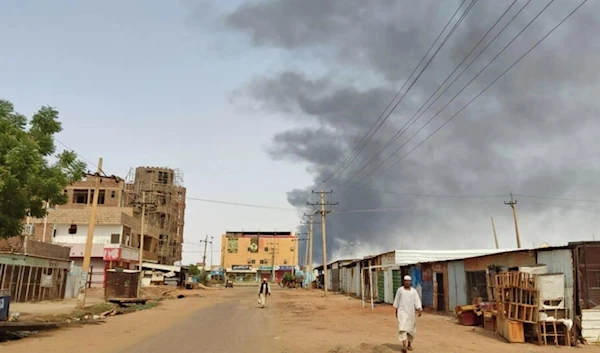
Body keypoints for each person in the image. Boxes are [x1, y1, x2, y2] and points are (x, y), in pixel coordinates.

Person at [393, 275, 423, 352]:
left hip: (411, 313)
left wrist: (419, 309)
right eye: (405, 281)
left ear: (410, 282)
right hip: (402, 312)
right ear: (403, 282)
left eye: (408, 281)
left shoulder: (413, 291)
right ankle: (404, 346)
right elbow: (397, 300)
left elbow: (417, 300)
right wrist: (396, 310)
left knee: (410, 329)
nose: (407, 282)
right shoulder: (400, 290)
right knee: (402, 328)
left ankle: (409, 345)